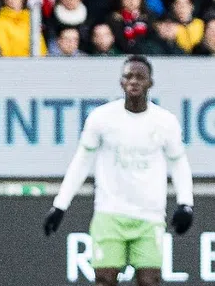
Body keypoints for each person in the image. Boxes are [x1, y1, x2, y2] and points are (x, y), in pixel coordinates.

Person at [43, 57, 195, 286]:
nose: (133, 81)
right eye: (128, 76)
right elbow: (82, 162)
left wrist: (185, 203)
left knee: (150, 280)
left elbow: (179, 162)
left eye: (139, 77)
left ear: (150, 83)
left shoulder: (165, 122)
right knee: (104, 279)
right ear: (121, 82)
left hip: (149, 216)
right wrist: (60, 205)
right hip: (109, 212)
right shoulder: (102, 118)